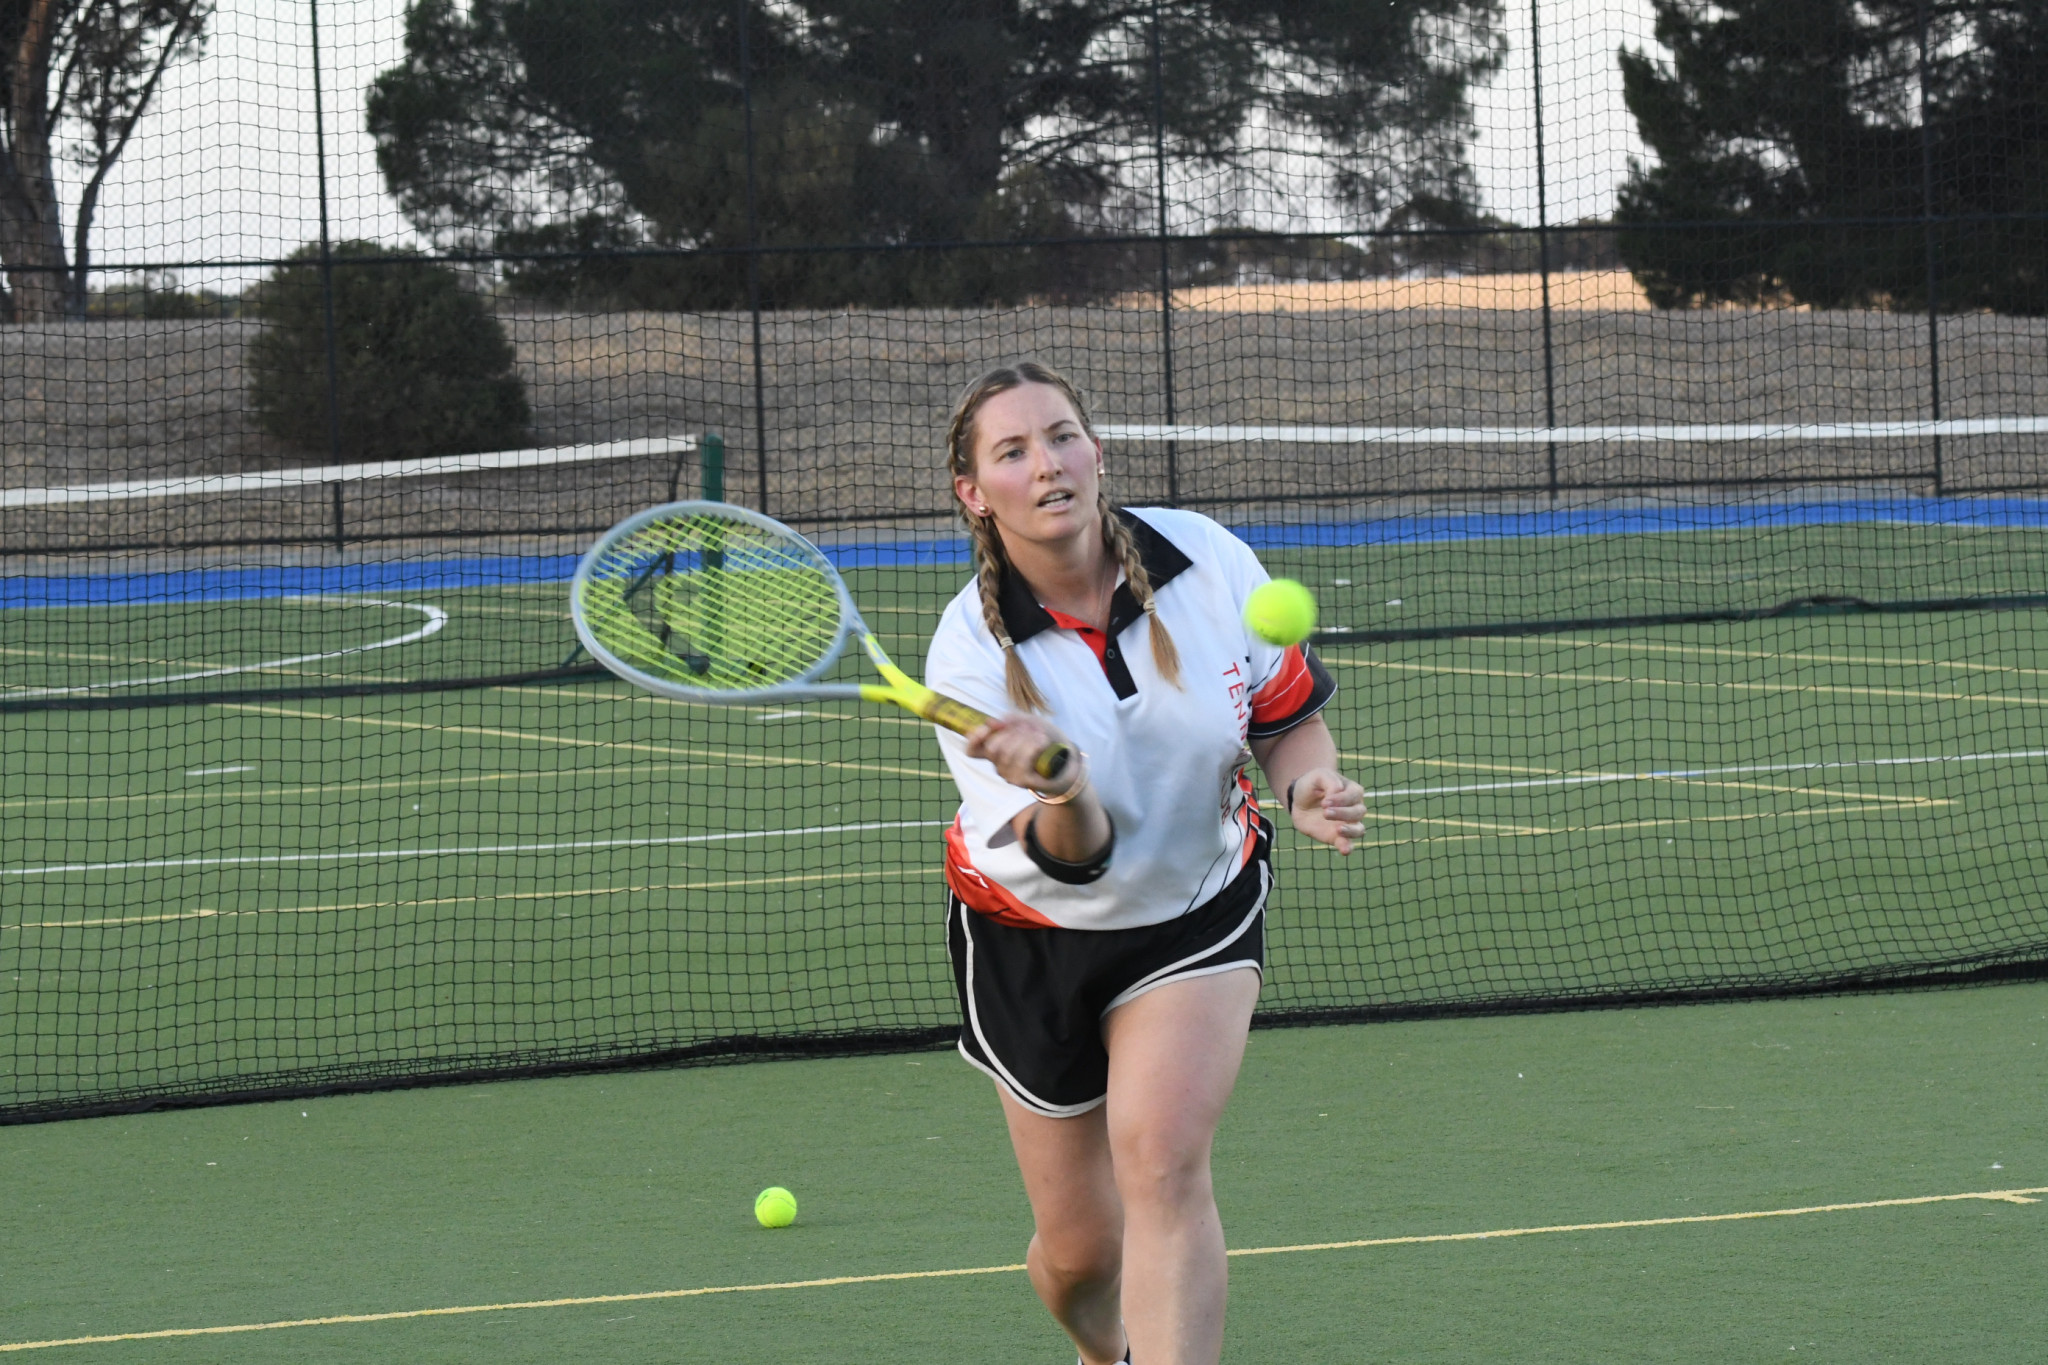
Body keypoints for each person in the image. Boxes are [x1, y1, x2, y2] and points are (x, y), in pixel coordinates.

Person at [926, 360, 1369, 1365]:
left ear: (1095, 448)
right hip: (1033, 937)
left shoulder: (1204, 558)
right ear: (973, 493)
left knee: (1162, 1165)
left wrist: (1304, 789)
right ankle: (1100, 1349)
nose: (1048, 464)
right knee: (1081, 1256)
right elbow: (1069, 860)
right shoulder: (967, 657)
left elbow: (1286, 721)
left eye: (1062, 435)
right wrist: (1064, 789)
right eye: (1013, 451)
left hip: (1195, 909)